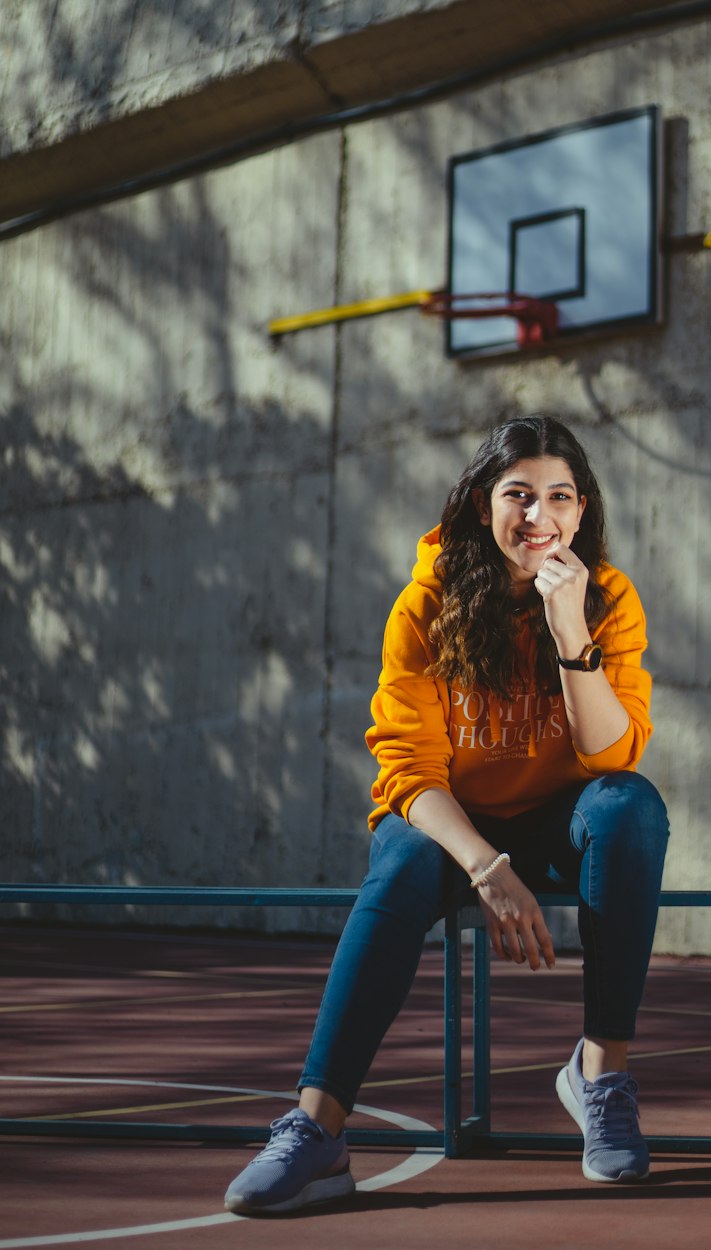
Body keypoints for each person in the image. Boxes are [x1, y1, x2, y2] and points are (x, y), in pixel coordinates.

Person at [224, 414, 669, 1214]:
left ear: (583, 510)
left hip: (561, 820)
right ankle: (318, 1129)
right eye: (519, 495)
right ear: (479, 505)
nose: (541, 517)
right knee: (398, 859)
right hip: (450, 822)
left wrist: (571, 633)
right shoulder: (425, 605)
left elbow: (611, 756)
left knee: (631, 807)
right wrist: (484, 866)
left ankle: (600, 1078)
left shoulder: (608, 598)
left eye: (560, 497)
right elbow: (409, 769)